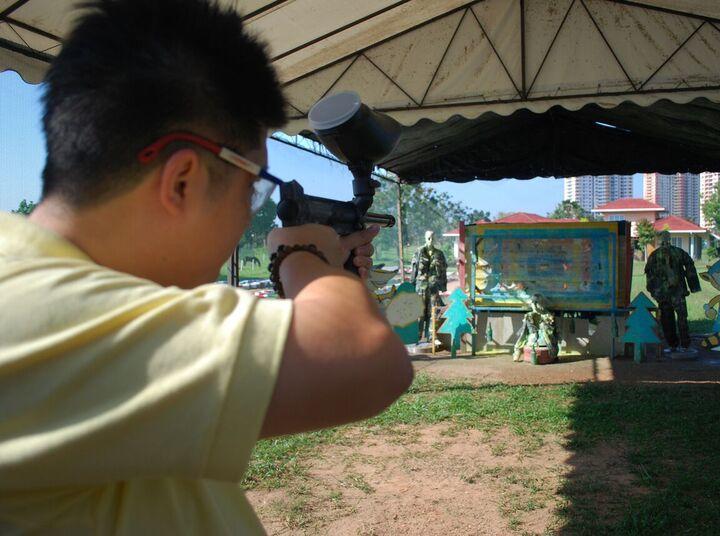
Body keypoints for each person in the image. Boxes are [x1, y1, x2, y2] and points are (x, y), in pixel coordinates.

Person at [0, 0, 413, 533]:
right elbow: (367, 361)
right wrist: (300, 255)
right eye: (252, 187)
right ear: (183, 182)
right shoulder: (31, 310)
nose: (248, 216)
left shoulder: (41, 285)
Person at [644, 230, 702, 352]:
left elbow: (649, 275)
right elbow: (690, 266)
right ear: (670, 238)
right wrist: (693, 286)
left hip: (663, 294)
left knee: (667, 319)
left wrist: (653, 291)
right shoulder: (679, 252)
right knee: (682, 318)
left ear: (660, 240)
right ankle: (685, 344)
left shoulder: (654, 255)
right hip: (678, 292)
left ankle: (672, 345)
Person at [411, 230, 448, 341]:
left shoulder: (439, 254)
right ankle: (417, 337)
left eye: (432, 238)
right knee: (419, 312)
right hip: (420, 288)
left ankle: (431, 337)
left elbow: (443, 271)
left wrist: (443, 287)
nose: (430, 240)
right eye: (428, 238)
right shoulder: (418, 252)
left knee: (433, 311)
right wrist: (412, 285)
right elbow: (414, 270)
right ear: (425, 238)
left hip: (433, 288)